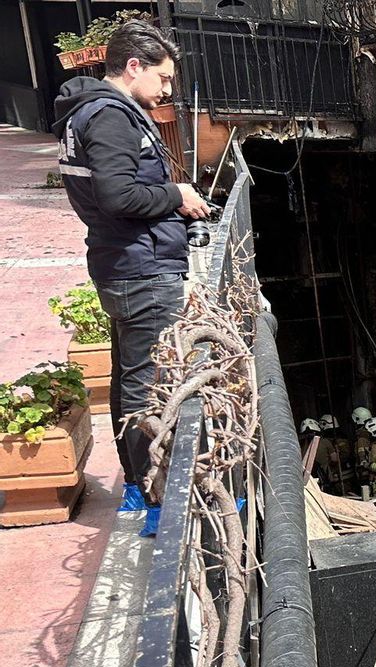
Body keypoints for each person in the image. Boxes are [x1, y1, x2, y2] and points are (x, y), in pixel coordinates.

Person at [54, 19, 211, 536]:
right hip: (140, 269)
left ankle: (137, 488)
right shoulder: (111, 118)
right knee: (151, 388)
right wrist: (179, 197)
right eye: (162, 80)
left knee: (130, 381)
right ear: (134, 67)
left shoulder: (90, 112)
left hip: (123, 264)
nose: (167, 91)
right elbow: (119, 197)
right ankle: (156, 500)